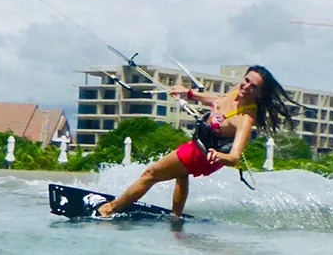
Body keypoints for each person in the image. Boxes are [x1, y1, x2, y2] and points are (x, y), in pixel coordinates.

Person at [96, 65, 296, 219]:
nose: (246, 87)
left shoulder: (245, 118)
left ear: (261, 94)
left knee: (150, 174)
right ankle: (176, 217)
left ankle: (110, 209)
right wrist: (188, 93)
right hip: (197, 146)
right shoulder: (237, 91)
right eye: (246, 81)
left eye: (254, 87)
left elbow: (235, 158)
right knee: (181, 177)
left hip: (203, 156)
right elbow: (216, 99)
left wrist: (219, 156)